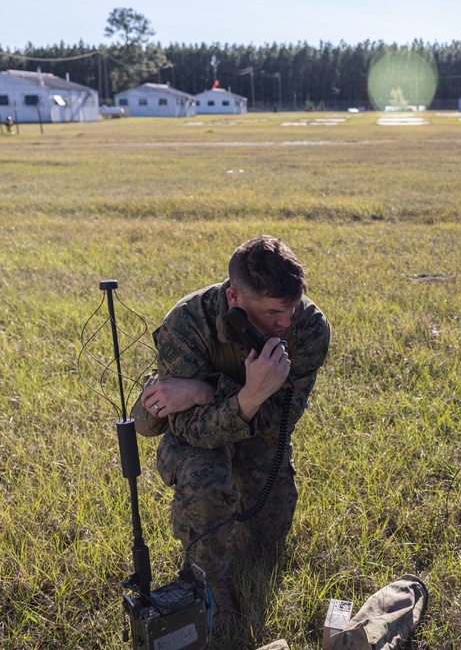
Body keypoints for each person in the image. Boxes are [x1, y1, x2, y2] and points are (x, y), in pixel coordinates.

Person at [141, 235, 330, 631]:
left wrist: (205, 391)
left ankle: (234, 538)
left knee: (265, 542)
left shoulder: (309, 328)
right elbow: (189, 428)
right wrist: (247, 396)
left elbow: (278, 422)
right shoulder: (187, 323)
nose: (285, 323)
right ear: (234, 299)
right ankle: (207, 581)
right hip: (197, 439)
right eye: (274, 312)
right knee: (203, 473)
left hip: (258, 431)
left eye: (292, 308)